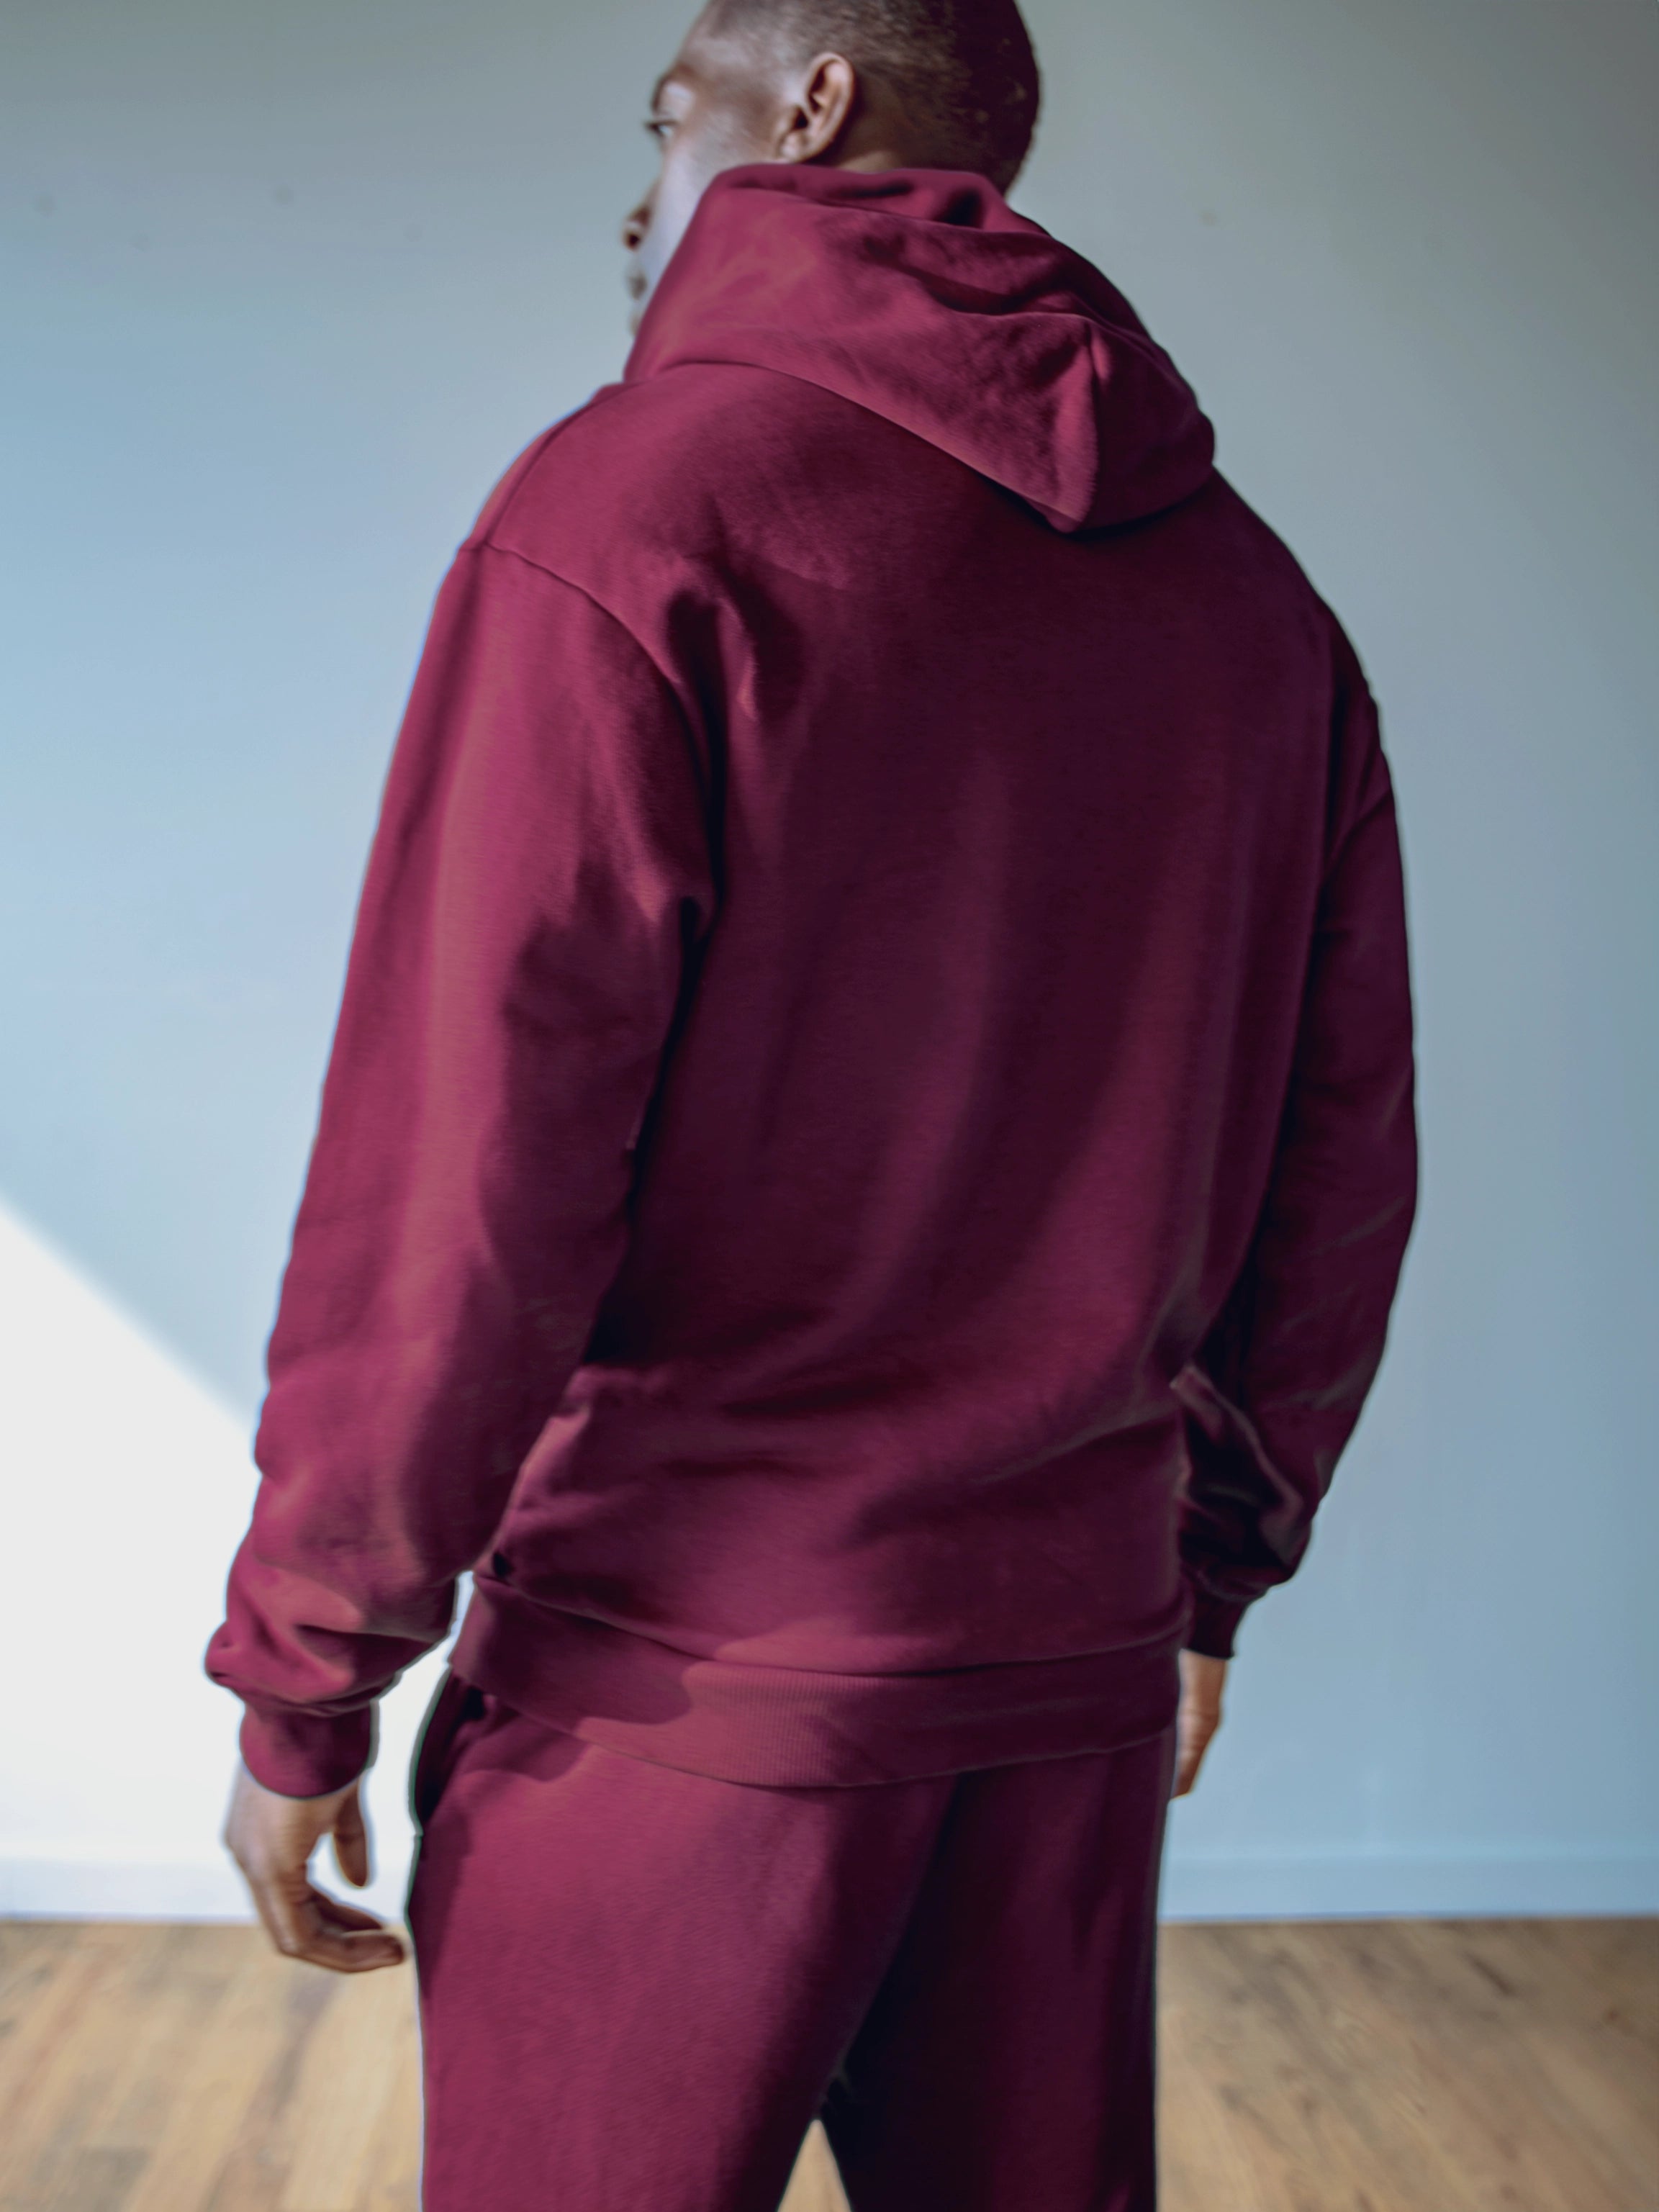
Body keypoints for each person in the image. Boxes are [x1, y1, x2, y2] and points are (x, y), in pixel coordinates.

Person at [208, 0, 1417, 2204]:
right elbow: (1337, 1162)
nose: (640, 193)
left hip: (685, 1687)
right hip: (1059, 1665)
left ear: (812, 111)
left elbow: (467, 1162)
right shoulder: (1253, 601)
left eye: (669, 126)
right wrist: (1202, 1576)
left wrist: (309, 1677)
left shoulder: (630, 514)